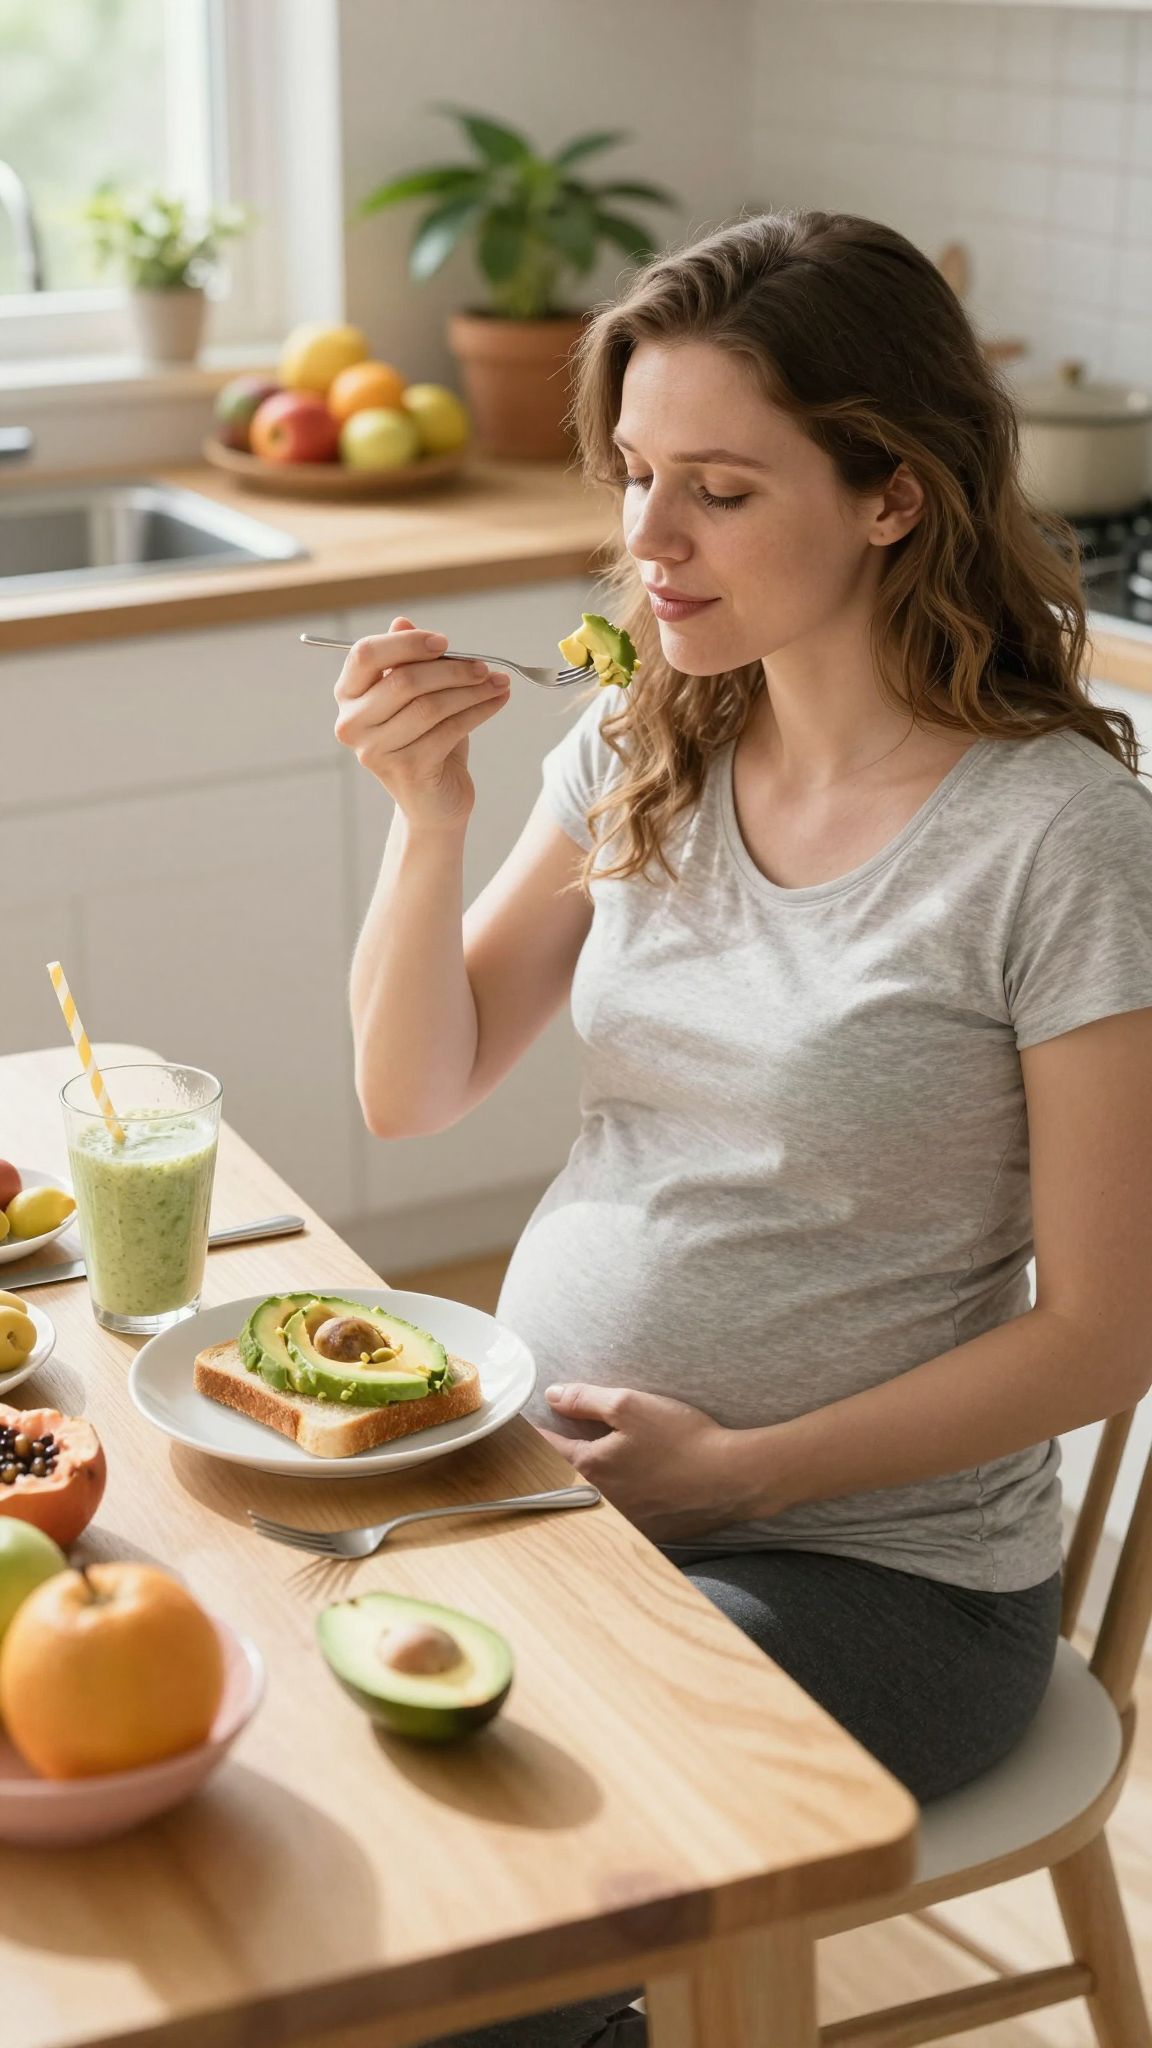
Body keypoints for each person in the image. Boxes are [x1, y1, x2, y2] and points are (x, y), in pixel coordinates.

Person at [334, 210, 1152, 2048]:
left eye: (715, 486)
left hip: (882, 1576)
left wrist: (747, 1475)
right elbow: (417, 1083)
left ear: (892, 496)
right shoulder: (642, 734)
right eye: (634, 472)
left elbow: (1112, 1331)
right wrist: (427, 815)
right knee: (320, 1833)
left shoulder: (1055, 840)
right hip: (562, 1494)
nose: (645, 539)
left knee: (485, 1945)